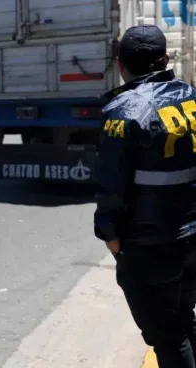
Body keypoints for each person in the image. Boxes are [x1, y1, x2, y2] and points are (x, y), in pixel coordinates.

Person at [95, 24, 196, 368]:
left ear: (120, 64)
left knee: (167, 337)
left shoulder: (122, 111)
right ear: (166, 59)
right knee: (184, 320)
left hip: (151, 243)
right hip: (192, 236)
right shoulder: (193, 97)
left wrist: (109, 234)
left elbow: (110, 185)